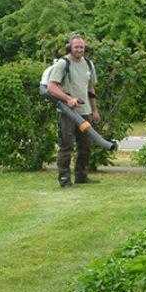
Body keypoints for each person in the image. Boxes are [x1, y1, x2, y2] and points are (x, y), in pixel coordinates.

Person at [47, 34, 100, 187]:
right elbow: (51, 87)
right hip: (67, 113)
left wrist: (94, 110)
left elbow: (91, 89)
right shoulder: (63, 63)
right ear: (70, 47)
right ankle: (64, 179)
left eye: (82, 47)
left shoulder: (89, 64)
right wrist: (68, 99)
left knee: (85, 146)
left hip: (85, 112)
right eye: (76, 47)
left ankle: (81, 177)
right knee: (66, 145)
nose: (79, 49)